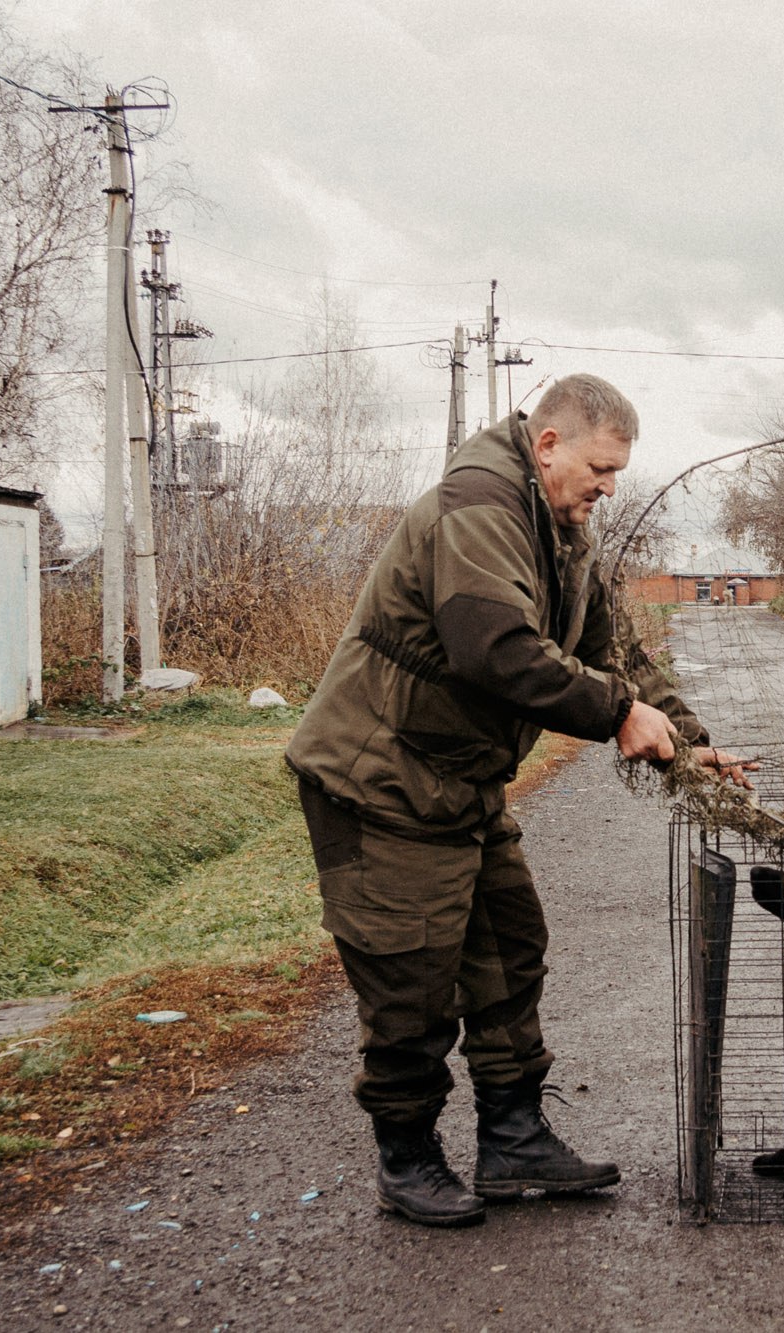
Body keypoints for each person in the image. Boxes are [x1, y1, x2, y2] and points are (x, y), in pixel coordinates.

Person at [287, 373, 751, 1227]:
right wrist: (615, 714)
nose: (609, 487)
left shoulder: (563, 527)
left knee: (508, 951)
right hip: (382, 776)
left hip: (459, 781)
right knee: (411, 980)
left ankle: (512, 1139)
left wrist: (686, 741)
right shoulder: (481, 507)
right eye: (601, 468)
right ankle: (408, 1156)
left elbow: (620, 652)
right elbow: (493, 647)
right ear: (547, 445)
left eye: (617, 473)